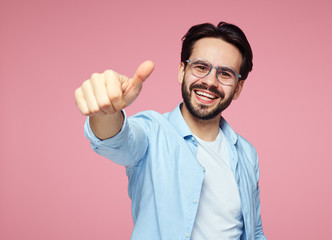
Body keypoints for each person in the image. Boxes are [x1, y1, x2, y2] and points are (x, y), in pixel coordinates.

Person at [75, 22, 267, 240]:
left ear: (238, 88)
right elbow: (116, 140)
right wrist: (106, 112)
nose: (210, 82)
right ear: (181, 71)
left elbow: (254, 231)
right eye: (201, 67)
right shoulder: (151, 133)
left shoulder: (247, 153)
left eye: (225, 74)